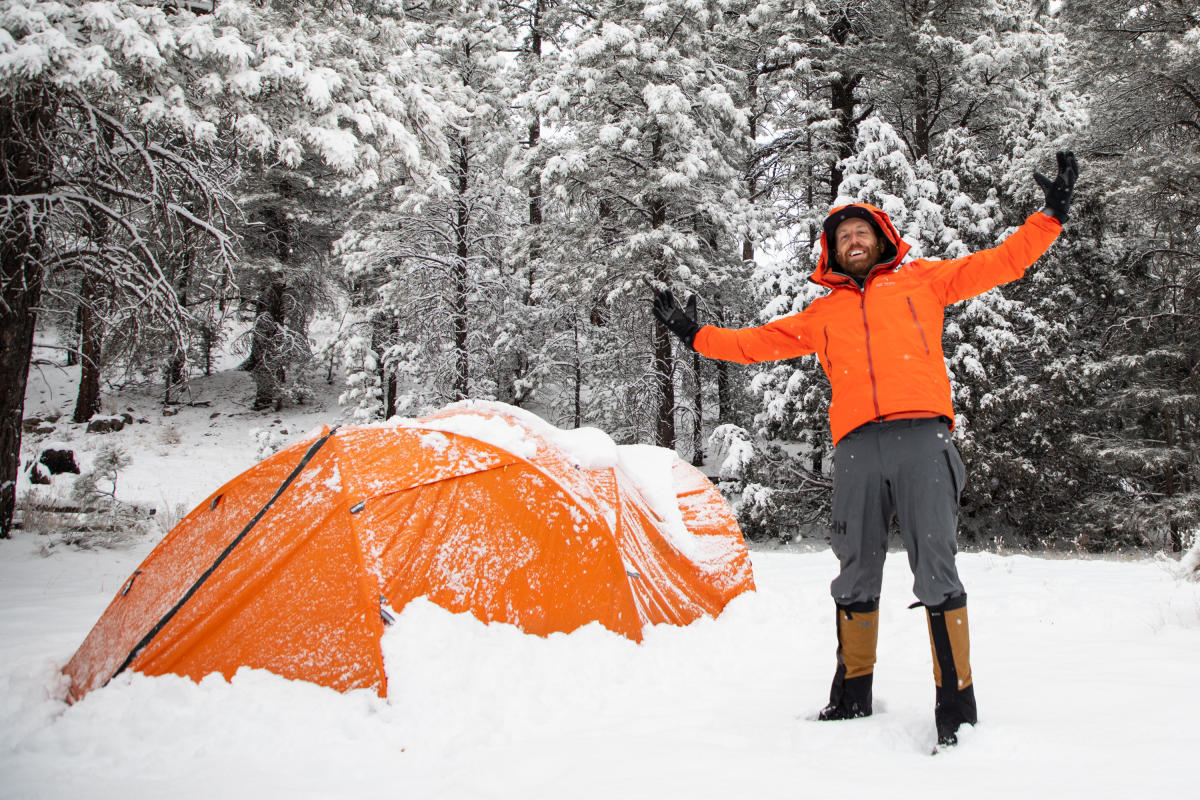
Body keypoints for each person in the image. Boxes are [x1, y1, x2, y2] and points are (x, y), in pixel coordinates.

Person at [651, 151, 1079, 746]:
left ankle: (955, 706)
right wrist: (694, 334)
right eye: (843, 236)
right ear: (831, 251)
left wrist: (1050, 216)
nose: (853, 240)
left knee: (936, 565)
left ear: (882, 239)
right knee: (854, 566)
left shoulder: (924, 280)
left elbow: (1003, 261)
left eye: (862, 232)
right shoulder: (822, 313)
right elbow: (755, 343)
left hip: (923, 438)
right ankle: (852, 694)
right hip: (856, 448)